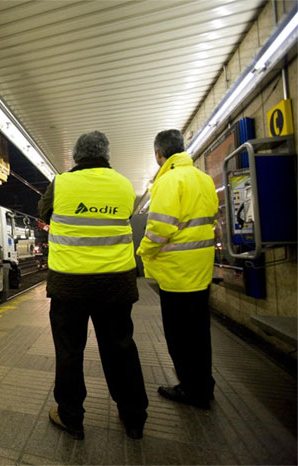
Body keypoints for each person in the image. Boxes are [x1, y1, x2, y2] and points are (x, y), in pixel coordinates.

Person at [39, 131, 148, 440]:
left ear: (76, 156)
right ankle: (134, 417)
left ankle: (71, 417)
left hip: (69, 284)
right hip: (114, 283)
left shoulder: (61, 184)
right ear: (107, 154)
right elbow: (124, 215)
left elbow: (44, 212)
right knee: (120, 348)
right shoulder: (124, 185)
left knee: (70, 351)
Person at [137, 129, 218, 410]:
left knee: (180, 335)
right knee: (199, 332)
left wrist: (143, 252)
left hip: (178, 274)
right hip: (200, 269)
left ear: (159, 153)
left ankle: (190, 390)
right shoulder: (203, 179)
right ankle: (204, 385)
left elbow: (160, 228)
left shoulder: (169, 181)